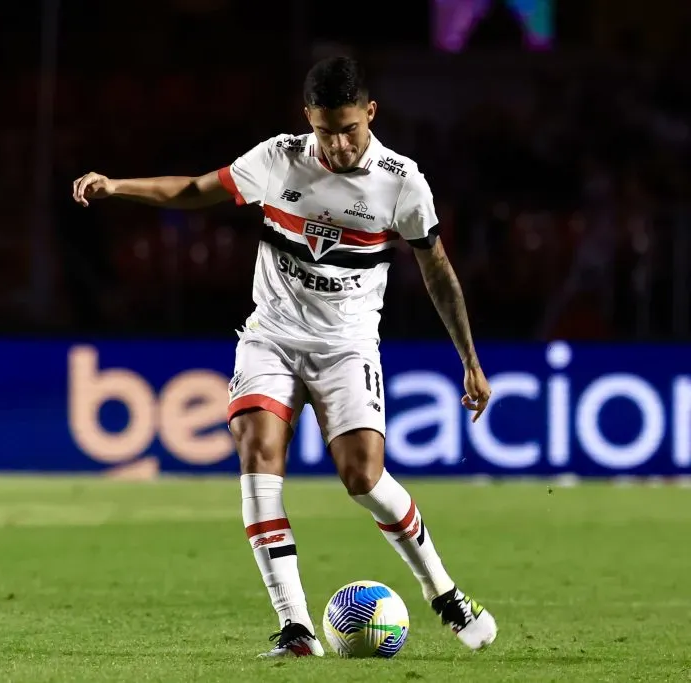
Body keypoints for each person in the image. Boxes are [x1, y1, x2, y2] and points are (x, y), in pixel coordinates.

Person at [71, 55, 497, 658]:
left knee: (363, 477)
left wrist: (470, 360)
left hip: (347, 348)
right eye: (327, 130)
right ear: (308, 119)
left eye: (350, 128)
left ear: (370, 113)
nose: (340, 144)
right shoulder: (279, 159)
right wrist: (118, 186)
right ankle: (296, 628)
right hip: (270, 336)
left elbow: (438, 270)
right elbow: (197, 189)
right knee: (258, 454)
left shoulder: (401, 181)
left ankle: (445, 592)